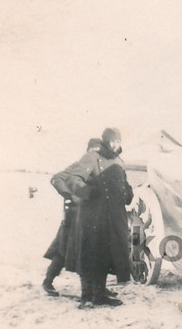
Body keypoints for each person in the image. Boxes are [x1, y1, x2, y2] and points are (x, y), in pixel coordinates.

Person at [47, 127, 132, 308]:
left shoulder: (119, 161)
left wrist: (127, 193)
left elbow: (124, 183)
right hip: (92, 217)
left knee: (106, 257)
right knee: (89, 256)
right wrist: (87, 192)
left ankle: (100, 295)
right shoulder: (92, 157)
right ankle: (86, 297)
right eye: (113, 141)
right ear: (106, 142)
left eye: (119, 141)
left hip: (113, 218)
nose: (116, 145)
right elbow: (73, 178)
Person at [67, 162, 133, 308]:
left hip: (104, 223)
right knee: (86, 259)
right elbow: (69, 182)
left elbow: (127, 196)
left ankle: (98, 295)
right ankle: (86, 298)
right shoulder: (85, 170)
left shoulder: (114, 171)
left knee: (101, 258)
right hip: (86, 222)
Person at [42, 137, 102, 296]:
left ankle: (98, 287)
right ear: (88, 151)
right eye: (93, 151)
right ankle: (48, 281)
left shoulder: (100, 169)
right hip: (73, 216)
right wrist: (69, 195)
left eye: (99, 151)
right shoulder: (78, 166)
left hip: (90, 217)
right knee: (62, 249)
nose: (96, 155)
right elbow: (57, 178)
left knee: (93, 252)